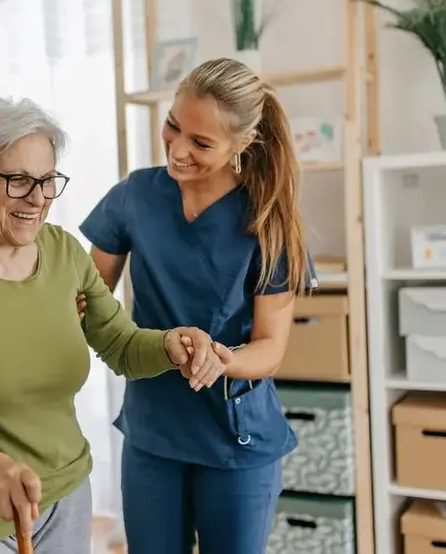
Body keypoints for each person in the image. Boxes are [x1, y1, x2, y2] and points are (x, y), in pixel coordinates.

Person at [0, 96, 225, 554]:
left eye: (46, 180)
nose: (38, 199)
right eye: (18, 181)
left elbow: (119, 344)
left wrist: (172, 344)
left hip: (66, 497)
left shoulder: (62, 250)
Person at [78, 58, 315, 554]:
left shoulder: (267, 221)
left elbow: (270, 347)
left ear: (242, 144)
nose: (178, 149)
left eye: (201, 143)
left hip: (234, 437)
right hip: (152, 431)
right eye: (173, 127)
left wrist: (225, 359)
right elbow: (86, 299)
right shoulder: (135, 197)